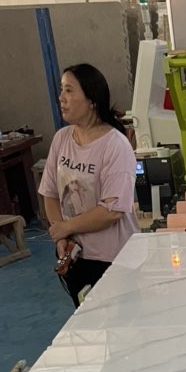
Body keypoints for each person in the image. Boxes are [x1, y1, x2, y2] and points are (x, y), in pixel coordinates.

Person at [39, 63, 139, 306]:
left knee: (118, 321)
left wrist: (66, 228)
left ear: (92, 100)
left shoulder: (115, 145)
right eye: (62, 90)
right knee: (86, 320)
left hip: (113, 259)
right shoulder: (62, 139)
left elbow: (111, 212)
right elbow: (50, 193)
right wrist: (61, 237)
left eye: (69, 90)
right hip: (74, 254)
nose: (61, 98)